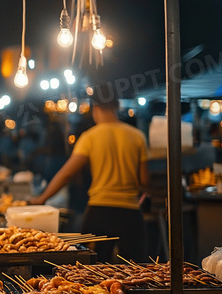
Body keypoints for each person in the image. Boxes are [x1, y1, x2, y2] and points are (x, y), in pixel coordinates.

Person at [29, 82, 149, 261]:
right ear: (116, 106)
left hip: (99, 213)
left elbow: (67, 173)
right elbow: (144, 181)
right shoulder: (137, 136)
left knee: (91, 272)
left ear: (95, 108)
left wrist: (42, 198)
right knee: (135, 274)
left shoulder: (90, 137)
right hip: (130, 214)